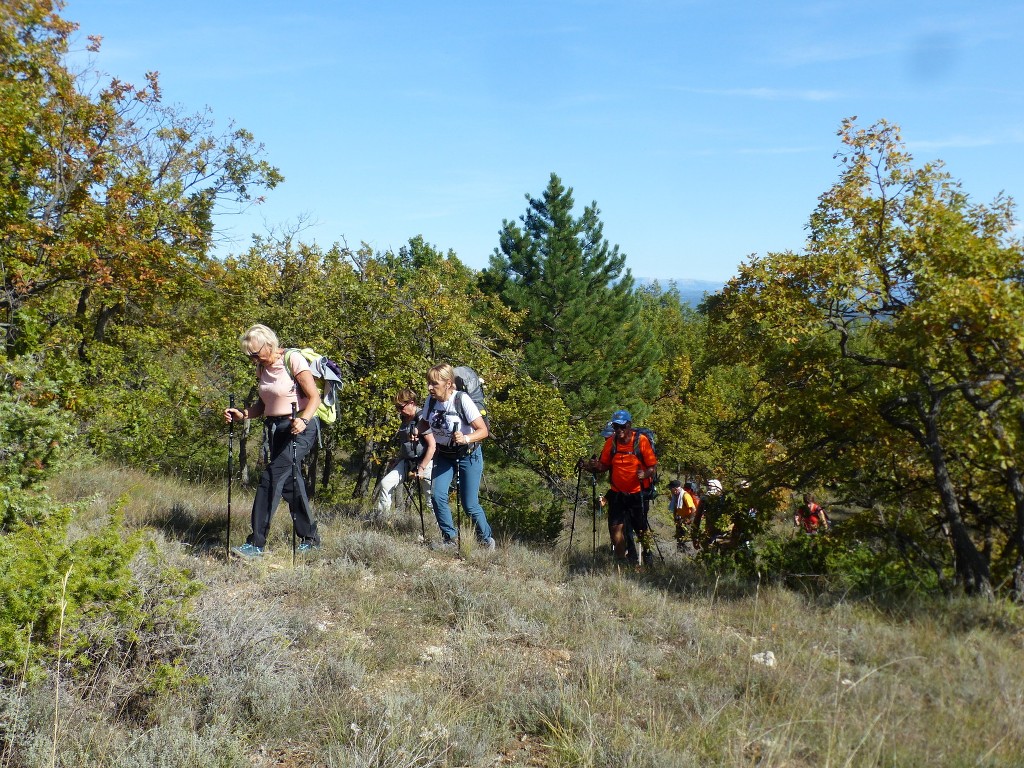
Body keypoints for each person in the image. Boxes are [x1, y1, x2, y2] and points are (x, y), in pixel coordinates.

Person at [223, 324, 322, 558]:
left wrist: (304, 420)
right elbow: (263, 405)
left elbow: (314, 396)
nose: (252, 359)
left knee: (271, 478)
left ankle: (256, 544)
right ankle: (311, 538)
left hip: (300, 429)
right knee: (290, 483)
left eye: (255, 354)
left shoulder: (293, 360)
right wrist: (244, 414)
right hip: (276, 429)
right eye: (249, 355)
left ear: (269, 345)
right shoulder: (262, 368)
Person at [414, 363, 495, 551]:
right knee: (437, 496)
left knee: (469, 505)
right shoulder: (431, 401)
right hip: (444, 455)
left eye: (434, 383)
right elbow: (426, 423)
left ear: (448, 383)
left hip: (468, 454)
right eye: (429, 383)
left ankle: (486, 540)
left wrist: (466, 438)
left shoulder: (462, 400)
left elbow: (483, 431)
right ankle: (450, 539)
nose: (429, 387)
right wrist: (416, 431)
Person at [584, 409, 658, 564]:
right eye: (616, 426)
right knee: (615, 528)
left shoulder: (641, 441)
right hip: (617, 493)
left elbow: (652, 467)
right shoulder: (611, 442)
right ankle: (622, 563)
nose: (619, 430)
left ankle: (647, 552)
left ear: (629, 425)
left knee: (640, 528)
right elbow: (604, 465)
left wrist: (645, 475)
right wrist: (595, 466)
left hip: (637, 493)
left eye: (622, 426)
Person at [373, 388, 431, 522]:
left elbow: (432, 445)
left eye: (401, 406)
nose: (399, 410)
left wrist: (422, 467)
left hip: (425, 462)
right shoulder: (404, 418)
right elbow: (405, 443)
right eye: (397, 407)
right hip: (407, 462)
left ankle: (442, 532)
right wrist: (398, 458)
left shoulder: (422, 417)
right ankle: (382, 521)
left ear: (411, 403)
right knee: (386, 484)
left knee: (430, 499)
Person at [692, 478, 725, 549]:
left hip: (725, 535)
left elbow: (697, 519)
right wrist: (695, 537)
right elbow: (697, 519)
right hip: (710, 534)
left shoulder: (725, 501)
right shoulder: (704, 500)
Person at [673, 481, 700, 550]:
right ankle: (681, 551)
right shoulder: (679, 495)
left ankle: (686, 551)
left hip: (687, 518)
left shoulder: (685, 496)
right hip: (681, 518)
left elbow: (693, 509)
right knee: (680, 536)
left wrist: (688, 520)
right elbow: (676, 507)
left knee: (684, 535)